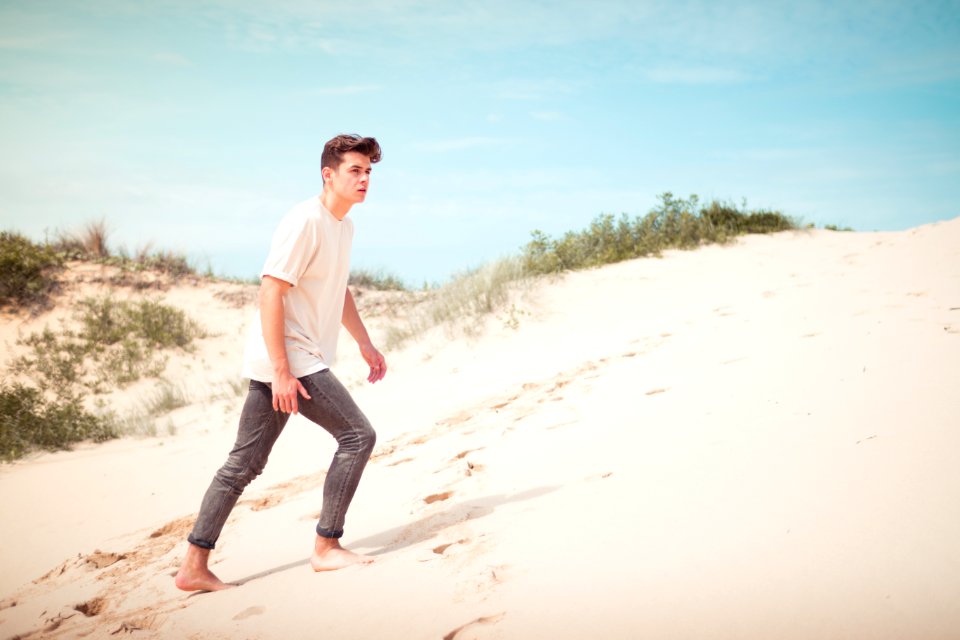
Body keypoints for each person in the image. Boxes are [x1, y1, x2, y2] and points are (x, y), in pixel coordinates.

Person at [175, 134, 387, 592]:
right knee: (357, 436)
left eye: (369, 171)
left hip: (290, 357)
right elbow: (271, 291)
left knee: (244, 464)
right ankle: (327, 546)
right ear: (328, 174)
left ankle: (193, 567)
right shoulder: (305, 220)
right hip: (288, 356)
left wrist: (365, 344)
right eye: (355, 170)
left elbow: (338, 289)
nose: (365, 178)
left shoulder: (343, 226)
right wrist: (282, 372)